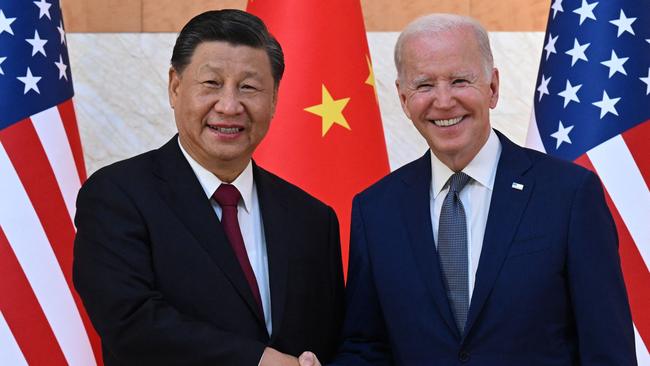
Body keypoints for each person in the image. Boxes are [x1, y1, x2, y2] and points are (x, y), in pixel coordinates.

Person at [305, 13, 637, 366]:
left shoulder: (569, 194)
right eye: (424, 85)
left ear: (493, 88)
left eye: (460, 80)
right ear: (403, 99)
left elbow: (607, 350)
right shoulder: (376, 210)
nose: (444, 101)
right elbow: (367, 346)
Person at [72, 9, 344, 366]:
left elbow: (332, 337)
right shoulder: (116, 196)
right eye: (212, 84)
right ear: (175, 87)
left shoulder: (312, 218)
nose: (229, 106)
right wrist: (258, 361)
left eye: (249, 87)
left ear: (275, 99)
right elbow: (132, 324)